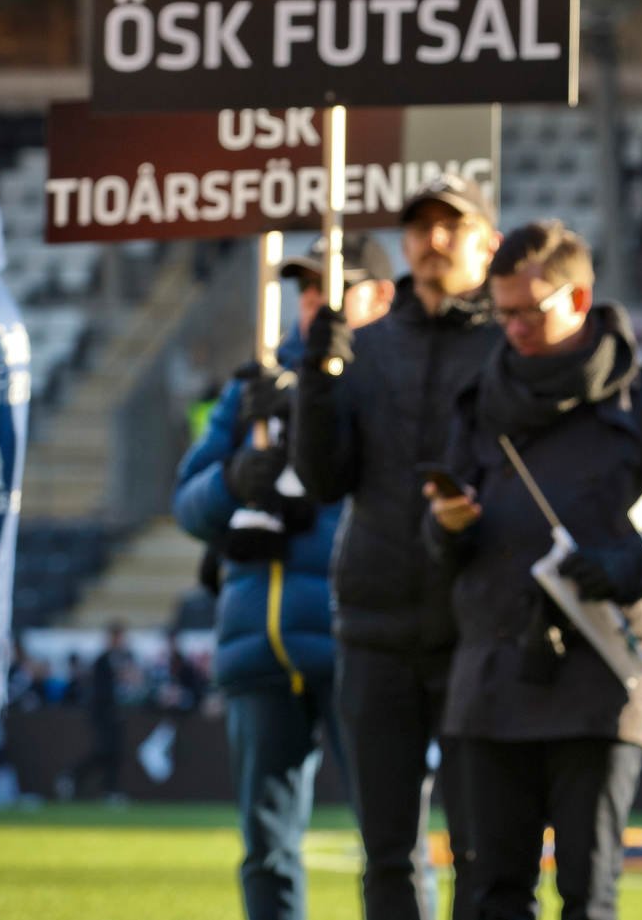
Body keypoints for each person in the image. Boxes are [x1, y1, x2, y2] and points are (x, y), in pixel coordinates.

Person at [423, 220, 642, 920]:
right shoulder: (479, 402)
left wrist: (625, 567)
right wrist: (447, 524)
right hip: (491, 671)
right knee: (491, 894)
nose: (512, 327)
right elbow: (441, 545)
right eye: (502, 311)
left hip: (600, 672)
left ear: (581, 296)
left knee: (587, 894)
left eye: (529, 311)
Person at [292, 174, 503, 920]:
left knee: (487, 850)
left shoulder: (509, 347)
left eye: (452, 226)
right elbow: (325, 479)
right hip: (376, 624)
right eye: (419, 227)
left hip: (478, 627)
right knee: (386, 852)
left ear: (489, 243)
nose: (432, 240)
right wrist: (315, 381)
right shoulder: (366, 349)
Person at [173, 232, 395, 920]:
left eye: (332, 287)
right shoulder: (251, 388)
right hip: (256, 641)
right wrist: (235, 481)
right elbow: (187, 499)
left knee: (391, 841)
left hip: (356, 636)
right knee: (265, 848)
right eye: (304, 290)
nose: (312, 304)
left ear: (382, 296)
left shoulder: (391, 381)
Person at [70, 620, 132, 800]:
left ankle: (110, 790)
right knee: (104, 751)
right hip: (103, 715)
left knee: (115, 752)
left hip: (116, 715)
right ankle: (73, 776)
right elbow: (100, 691)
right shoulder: (102, 661)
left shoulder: (124, 659)